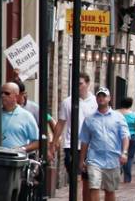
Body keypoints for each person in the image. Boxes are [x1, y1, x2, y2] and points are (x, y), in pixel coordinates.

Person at [53, 72, 99, 201]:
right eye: (76, 84)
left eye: (80, 83)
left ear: (87, 84)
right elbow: (60, 123)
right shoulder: (67, 102)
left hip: (92, 147)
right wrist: (53, 144)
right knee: (76, 180)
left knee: (89, 182)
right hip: (72, 145)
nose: (78, 86)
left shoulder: (96, 102)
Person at [78, 88, 130, 201]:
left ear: (109, 98)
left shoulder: (118, 117)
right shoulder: (89, 119)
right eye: (99, 96)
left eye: (104, 96)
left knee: (109, 191)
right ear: (96, 98)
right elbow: (85, 140)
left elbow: (125, 136)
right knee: (94, 187)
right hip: (94, 159)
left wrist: (124, 152)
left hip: (112, 159)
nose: (101, 98)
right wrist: (81, 159)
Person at [0, 82, 39, 152]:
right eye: (1, 93)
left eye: (7, 93)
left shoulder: (26, 116)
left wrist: (23, 149)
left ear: (16, 97)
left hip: (15, 160)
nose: (3, 95)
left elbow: (38, 142)